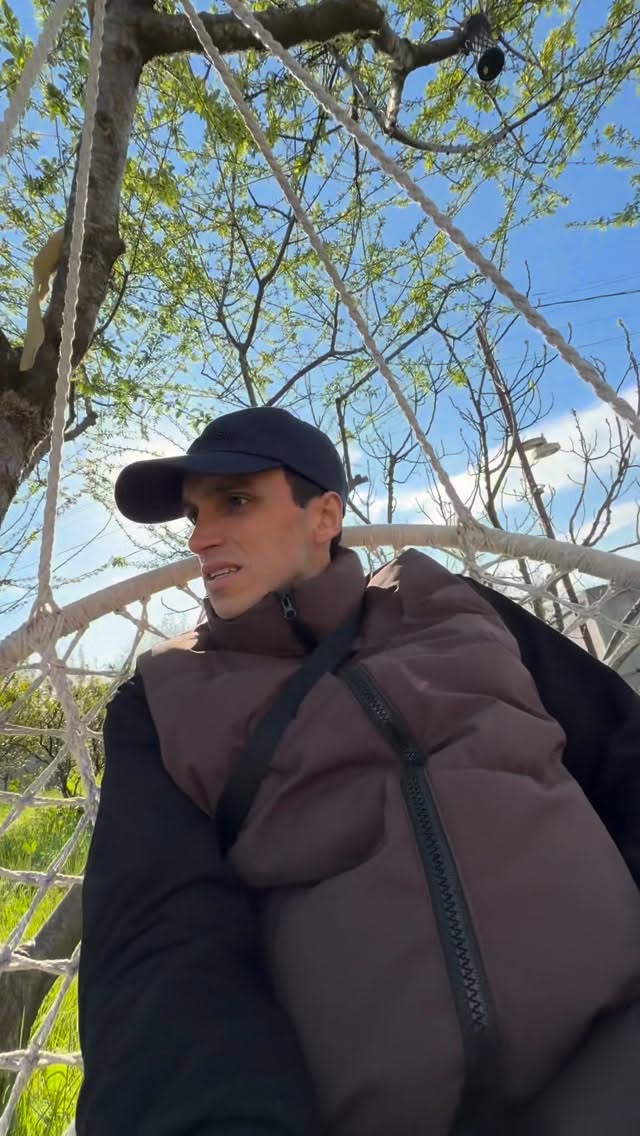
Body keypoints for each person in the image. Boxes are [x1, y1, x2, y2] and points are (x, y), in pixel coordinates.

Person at [76, 406, 640, 1136]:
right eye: (193, 514)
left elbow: (620, 746)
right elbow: (158, 941)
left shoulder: (453, 606)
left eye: (234, 501)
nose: (199, 536)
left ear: (325, 515)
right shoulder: (165, 698)